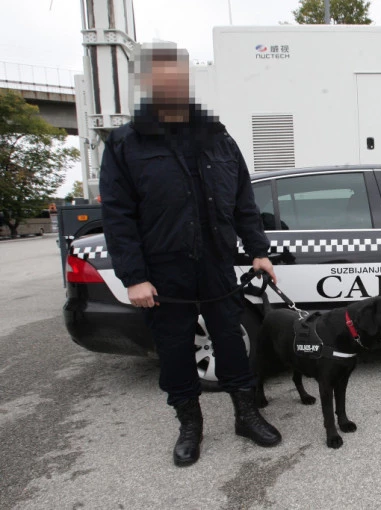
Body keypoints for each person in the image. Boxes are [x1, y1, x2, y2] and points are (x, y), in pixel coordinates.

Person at [100, 42, 281, 467]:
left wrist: (258, 251)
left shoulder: (218, 137)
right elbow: (118, 216)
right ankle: (190, 426)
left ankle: (246, 415)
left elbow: (243, 200)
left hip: (217, 261)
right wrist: (134, 277)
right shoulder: (126, 143)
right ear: (147, 85)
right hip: (163, 268)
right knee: (175, 349)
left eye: (178, 80)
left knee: (231, 342)